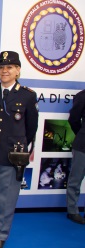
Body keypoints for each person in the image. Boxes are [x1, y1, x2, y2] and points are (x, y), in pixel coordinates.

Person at [0, 51, 38, 248]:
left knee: (7, 197)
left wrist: (19, 145)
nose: (4, 71)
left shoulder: (27, 96)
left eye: (9, 67)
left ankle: (1, 235)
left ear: (17, 70)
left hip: (13, 155)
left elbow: (31, 128)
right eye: (2, 67)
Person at [67, 89, 85, 224]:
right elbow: (73, 119)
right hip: (83, 145)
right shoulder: (82, 96)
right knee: (76, 179)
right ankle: (72, 211)